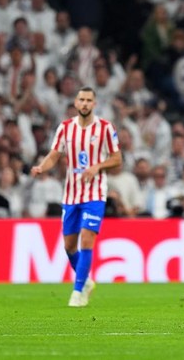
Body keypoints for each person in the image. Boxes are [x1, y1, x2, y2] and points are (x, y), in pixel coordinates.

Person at [30, 86, 122, 307]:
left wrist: (97, 166)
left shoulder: (105, 128)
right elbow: (54, 155)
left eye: (89, 100)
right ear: (75, 102)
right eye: (81, 99)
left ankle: (78, 291)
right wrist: (42, 167)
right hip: (71, 195)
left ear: (95, 103)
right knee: (69, 245)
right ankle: (86, 281)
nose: (85, 104)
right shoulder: (65, 128)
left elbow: (117, 158)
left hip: (95, 193)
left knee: (87, 238)